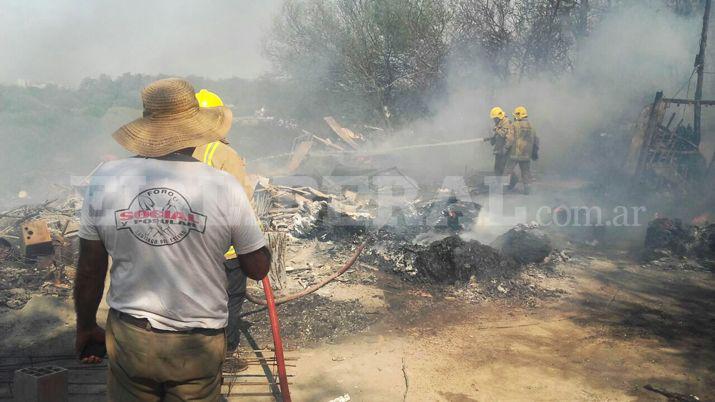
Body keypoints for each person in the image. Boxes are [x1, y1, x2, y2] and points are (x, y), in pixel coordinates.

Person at [74, 77, 271, 401]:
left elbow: (90, 268)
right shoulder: (223, 186)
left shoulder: (106, 180)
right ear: (197, 130)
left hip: (130, 338)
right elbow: (257, 267)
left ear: (147, 128)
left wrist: (84, 326)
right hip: (198, 345)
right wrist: (262, 249)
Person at [193, 89, 253, 363]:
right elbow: (241, 201)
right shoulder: (224, 153)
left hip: (186, 248)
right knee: (231, 297)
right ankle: (224, 352)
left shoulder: (174, 152)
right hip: (224, 248)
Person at [505, 105, 536, 194]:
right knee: (526, 172)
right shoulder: (531, 126)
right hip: (526, 154)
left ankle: (503, 189)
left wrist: (506, 147)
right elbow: (535, 139)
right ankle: (527, 190)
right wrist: (533, 151)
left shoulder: (514, 125)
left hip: (515, 153)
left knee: (507, 171)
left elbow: (510, 139)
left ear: (518, 115)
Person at [489, 106, 513, 176]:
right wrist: (493, 138)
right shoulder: (500, 122)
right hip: (499, 150)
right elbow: (499, 135)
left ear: (498, 117)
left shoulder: (506, 122)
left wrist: (496, 130)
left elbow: (503, 134)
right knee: (497, 168)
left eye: (494, 118)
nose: (493, 120)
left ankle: (510, 182)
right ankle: (498, 183)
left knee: (501, 168)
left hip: (504, 149)